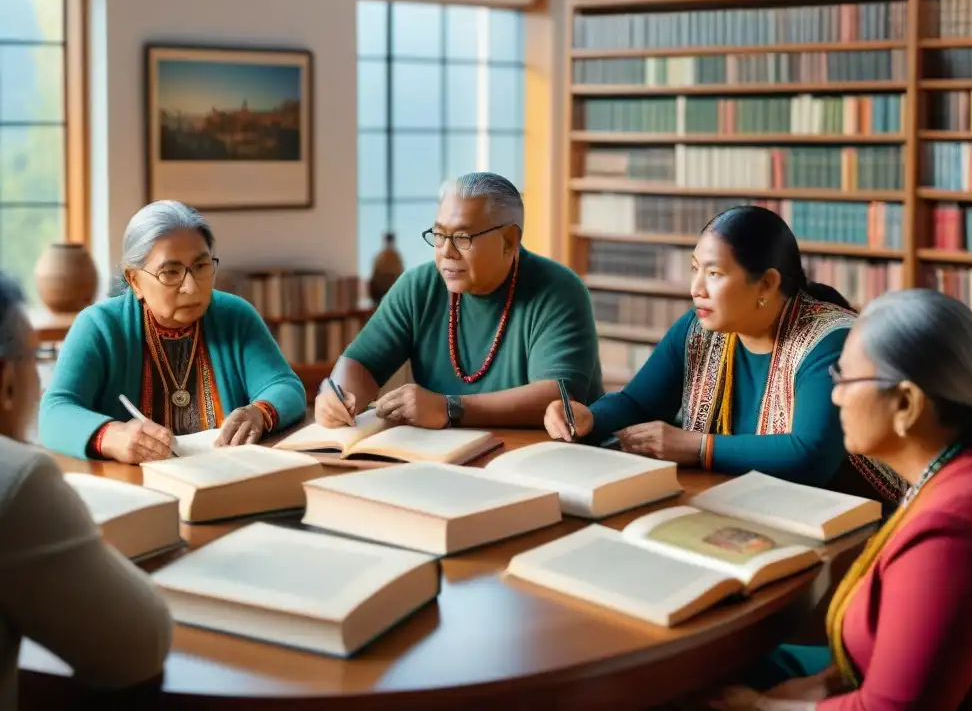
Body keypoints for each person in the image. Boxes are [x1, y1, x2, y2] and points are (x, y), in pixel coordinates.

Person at [703, 289, 972, 711]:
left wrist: (759, 707)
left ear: (906, 403)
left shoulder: (955, 529)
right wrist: (824, 685)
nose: (834, 396)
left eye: (845, 379)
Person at [544, 205, 904, 502]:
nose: (696, 288)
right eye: (695, 269)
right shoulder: (698, 328)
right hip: (744, 504)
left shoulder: (830, 341)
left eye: (714, 273)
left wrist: (696, 447)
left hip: (845, 519)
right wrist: (590, 417)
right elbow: (639, 403)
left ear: (767, 283)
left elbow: (809, 456)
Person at [0, 273, 172, 706]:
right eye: (34, 358)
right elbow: (138, 646)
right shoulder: (18, 480)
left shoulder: (233, 314)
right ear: (6, 382)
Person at [315, 171, 602, 430]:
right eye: (439, 234)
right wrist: (337, 395)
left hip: (541, 460)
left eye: (463, 237)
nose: (446, 251)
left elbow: (557, 396)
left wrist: (449, 408)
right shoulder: (419, 285)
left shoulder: (560, 290)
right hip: (445, 460)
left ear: (509, 241)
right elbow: (361, 362)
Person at [39, 201, 307, 462]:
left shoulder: (236, 315)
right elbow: (55, 411)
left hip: (224, 479)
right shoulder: (99, 326)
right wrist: (113, 436)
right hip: (136, 488)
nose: (190, 287)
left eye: (201, 267)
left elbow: (285, 387)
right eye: (170, 272)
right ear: (134, 280)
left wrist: (259, 412)